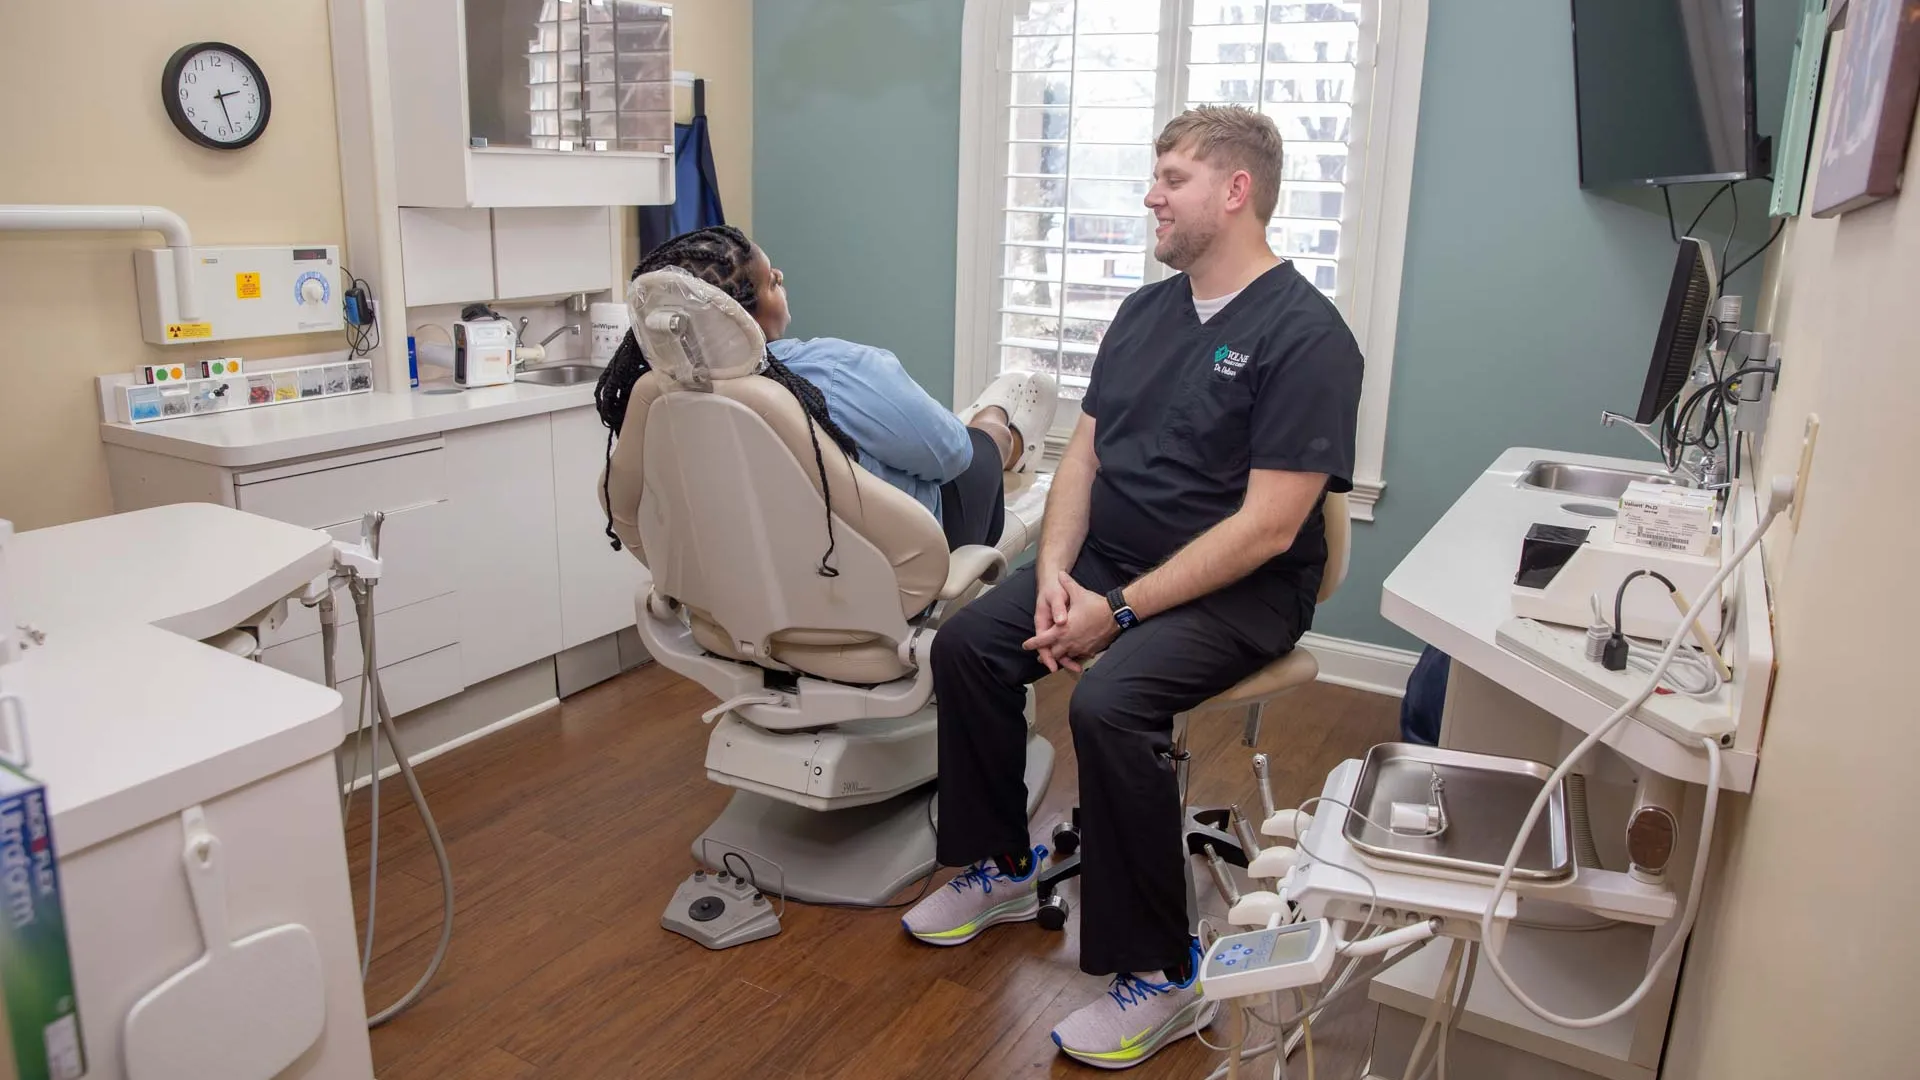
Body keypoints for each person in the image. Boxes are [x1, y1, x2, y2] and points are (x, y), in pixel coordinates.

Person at [902, 106, 1365, 1070]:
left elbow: (1271, 526)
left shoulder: (1308, 336)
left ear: (1236, 192)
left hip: (1244, 588)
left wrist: (1114, 614)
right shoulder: (1146, 313)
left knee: (1110, 703)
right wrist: (1059, 573)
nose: (1150, 195)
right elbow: (1086, 456)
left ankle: (1165, 972)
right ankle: (999, 865)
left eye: (1173, 178)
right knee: (967, 645)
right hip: (1108, 564)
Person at [594, 225, 1057, 555]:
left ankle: (989, 421)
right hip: (886, 563)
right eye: (771, 279)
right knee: (973, 446)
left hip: (748, 585)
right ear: (741, 314)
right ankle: (1003, 425)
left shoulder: (655, 398)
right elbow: (951, 457)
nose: (782, 280)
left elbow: (628, 508)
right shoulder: (833, 372)